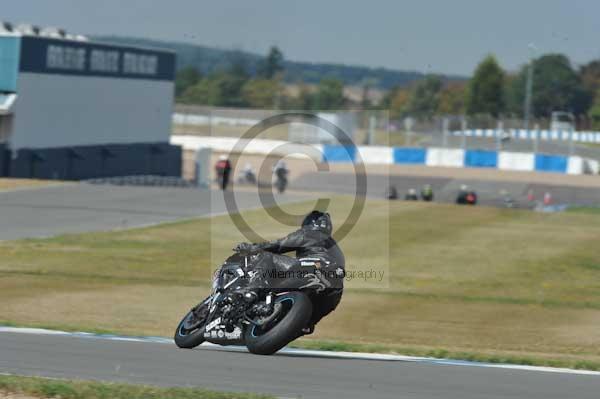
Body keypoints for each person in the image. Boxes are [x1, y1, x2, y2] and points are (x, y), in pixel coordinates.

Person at [233, 211, 344, 334]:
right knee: (308, 324)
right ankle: (307, 324)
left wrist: (252, 248)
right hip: (334, 290)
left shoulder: (309, 233)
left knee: (267, 257)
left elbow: (279, 245)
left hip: (311, 267)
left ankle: (251, 291)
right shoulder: (336, 248)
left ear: (309, 223)